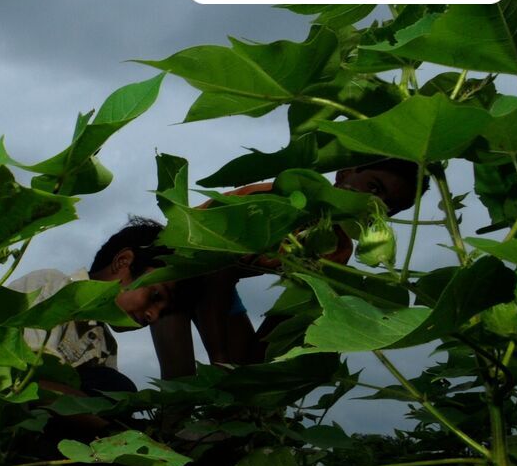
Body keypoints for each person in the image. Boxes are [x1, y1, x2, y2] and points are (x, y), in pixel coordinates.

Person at [150, 158, 422, 378]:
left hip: (222, 286)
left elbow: (286, 315)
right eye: (373, 188)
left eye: (390, 207)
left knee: (244, 372)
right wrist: (220, 361)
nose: (375, 206)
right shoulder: (276, 200)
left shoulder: (337, 250)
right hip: (172, 267)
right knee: (180, 379)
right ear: (344, 173)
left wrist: (251, 377)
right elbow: (214, 271)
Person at [10, 216, 175, 429]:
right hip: (12, 423)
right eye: (155, 296)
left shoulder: (106, 345)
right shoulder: (53, 285)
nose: (154, 315)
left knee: (120, 389)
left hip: (61, 435)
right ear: (123, 261)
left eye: (163, 312)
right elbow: (28, 383)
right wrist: (110, 431)